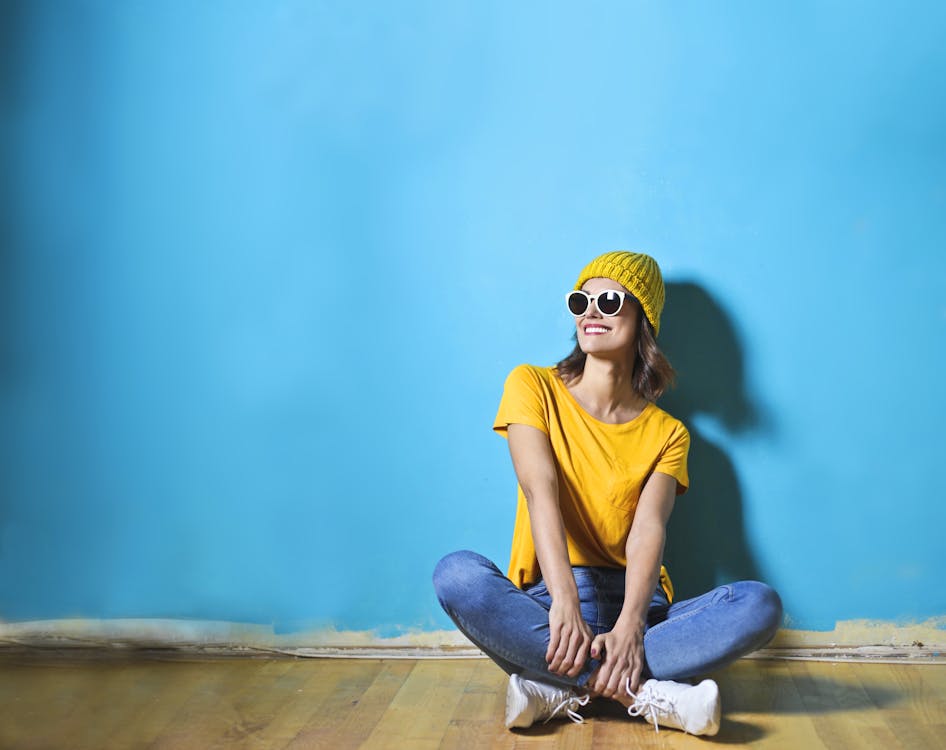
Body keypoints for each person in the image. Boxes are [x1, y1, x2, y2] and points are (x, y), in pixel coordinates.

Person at [432, 251, 782, 736]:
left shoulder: (668, 434)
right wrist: (566, 604)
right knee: (457, 575)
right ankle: (648, 695)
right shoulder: (532, 385)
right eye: (581, 301)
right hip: (548, 604)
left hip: (642, 610)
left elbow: (648, 531)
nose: (590, 312)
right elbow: (541, 493)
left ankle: (562, 689)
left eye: (610, 301)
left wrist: (632, 627)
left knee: (759, 604)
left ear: (643, 318)